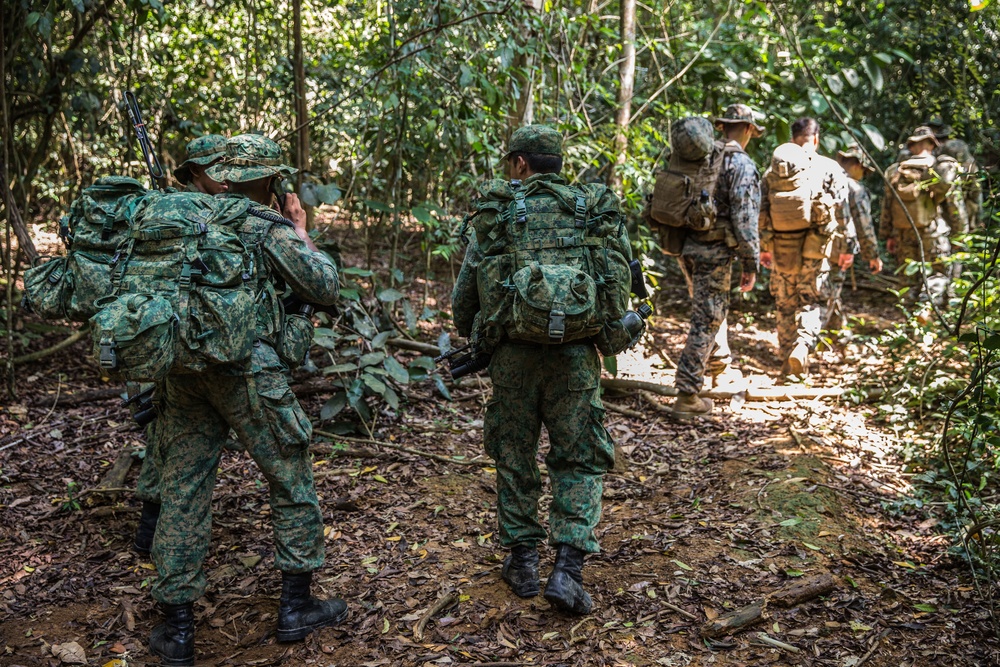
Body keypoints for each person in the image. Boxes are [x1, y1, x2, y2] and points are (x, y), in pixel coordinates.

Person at [147, 134, 345, 665]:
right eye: (267, 178)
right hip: (248, 371)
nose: (274, 186)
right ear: (238, 180)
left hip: (184, 368)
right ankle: (296, 607)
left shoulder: (166, 219)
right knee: (290, 475)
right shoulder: (262, 226)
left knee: (184, 487)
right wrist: (301, 231)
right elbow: (324, 285)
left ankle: (179, 629)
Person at [451, 125, 625, 616]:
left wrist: (482, 331)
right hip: (575, 358)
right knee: (579, 458)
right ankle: (567, 569)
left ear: (521, 164)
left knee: (514, 452)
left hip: (512, 357)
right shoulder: (589, 208)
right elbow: (618, 289)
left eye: (511, 162)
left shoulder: (501, 210)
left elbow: (464, 302)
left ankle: (523, 561)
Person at [669, 104, 762, 415]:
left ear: (722, 126)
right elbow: (745, 219)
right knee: (706, 319)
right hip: (715, 251)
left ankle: (719, 368)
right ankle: (687, 394)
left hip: (687, 247)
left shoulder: (702, 158)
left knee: (709, 310)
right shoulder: (742, 165)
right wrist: (751, 263)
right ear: (749, 129)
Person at [759, 117, 856, 378]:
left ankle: (786, 363)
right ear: (816, 138)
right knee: (811, 300)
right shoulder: (830, 168)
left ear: (793, 139)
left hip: (782, 246)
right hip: (818, 249)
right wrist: (848, 247)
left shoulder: (774, 171)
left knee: (784, 302)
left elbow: (762, 211)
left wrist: (764, 247)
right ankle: (802, 345)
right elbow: (843, 211)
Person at [879, 125, 966, 310]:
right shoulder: (940, 169)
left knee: (908, 280)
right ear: (933, 145)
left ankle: (911, 326)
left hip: (904, 233)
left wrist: (888, 235)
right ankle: (926, 310)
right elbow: (954, 206)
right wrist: (960, 235)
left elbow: (886, 207)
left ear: (911, 147)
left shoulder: (896, 171)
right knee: (937, 275)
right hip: (934, 233)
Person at [828, 144, 883, 330]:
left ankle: (837, 333)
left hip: (810, 245)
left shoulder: (823, 177)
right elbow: (863, 225)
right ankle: (812, 338)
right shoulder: (854, 188)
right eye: (864, 171)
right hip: (837, 250)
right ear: (858, 165)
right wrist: (872, 255)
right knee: (827, 292)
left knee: (825, 291)